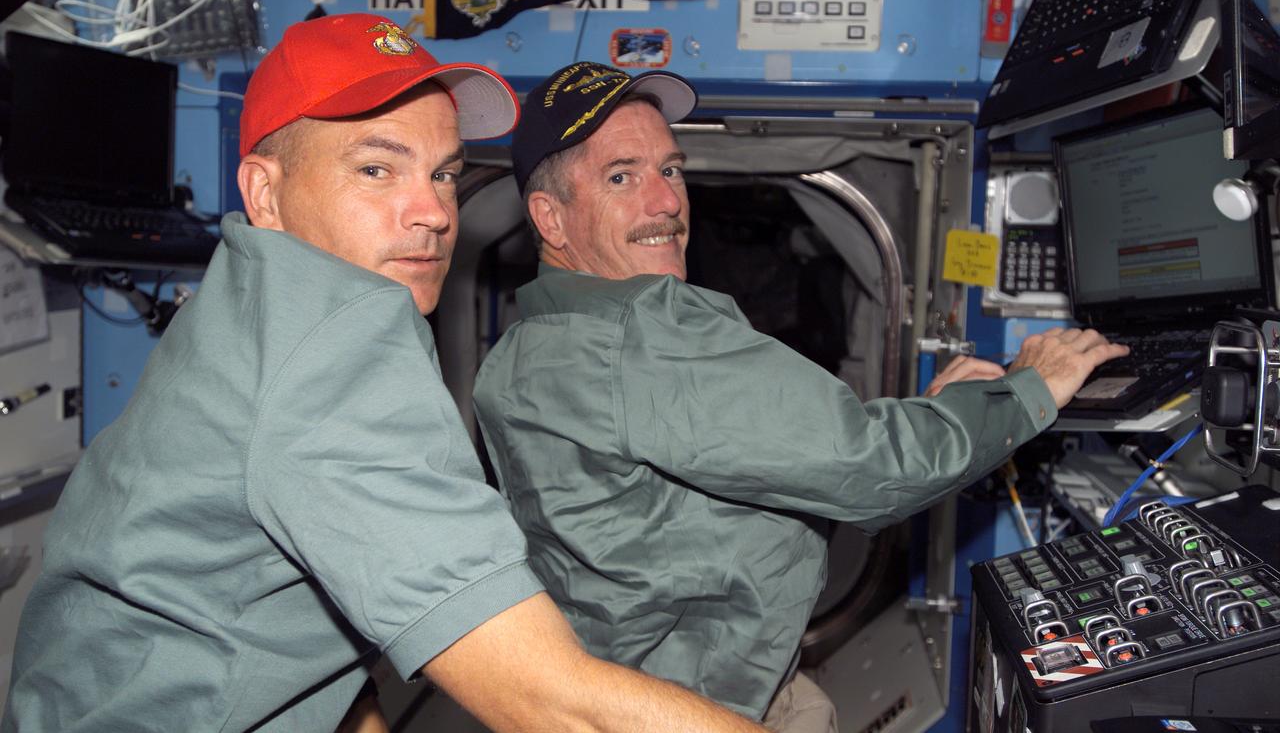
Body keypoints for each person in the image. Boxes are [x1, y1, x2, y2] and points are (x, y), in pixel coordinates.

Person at [2, 17, 768, 733]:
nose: (433, 211)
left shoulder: (246, 298)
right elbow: (554, 700)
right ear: (265, 192)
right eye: (376, 168)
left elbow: (311, 626)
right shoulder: (336, 346)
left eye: (443, 174)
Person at [472, 61, 1129, 732]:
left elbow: (758, 456)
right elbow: (873, 465)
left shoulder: (518, 354)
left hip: (616, 694)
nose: (666, 201)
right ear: (549, 217)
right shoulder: (645, 332)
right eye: (621, 176)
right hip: (698, 708)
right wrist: (1031, 388)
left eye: (669, 169)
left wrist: (936, 409)